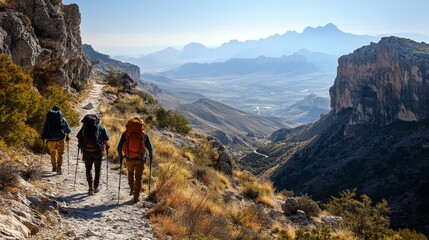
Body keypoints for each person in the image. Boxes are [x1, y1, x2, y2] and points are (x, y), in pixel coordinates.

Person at [117, 117, 153, 203]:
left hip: (129, 157)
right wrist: (151, 155)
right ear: (141, 125)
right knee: (138, 177)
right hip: (140, 158)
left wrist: (121, 156)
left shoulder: (126, 133)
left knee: (130, 172)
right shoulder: (144, 134)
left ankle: (132, 189)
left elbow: (119, 148)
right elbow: (150, 148)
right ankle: (136, 197)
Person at [77, 114, 110, 195]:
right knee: (97, 170)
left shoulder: (84, 128)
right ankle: (96, 187)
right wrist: (107, 146)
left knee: (88, 169)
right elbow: (106, 140)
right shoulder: (101, 128)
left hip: (87, 152)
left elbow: (78, 138)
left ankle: (90, 188)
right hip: (98, 151)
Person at [41, 106, 71, 175]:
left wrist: (43, 135)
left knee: (52, 153)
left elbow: (44, 129)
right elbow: (68, 129)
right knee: (60, 153)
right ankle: (59, 167)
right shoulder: (62, 118)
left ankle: (54, 167)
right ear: (59, 111)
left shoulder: (48, 119)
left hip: (50, 139)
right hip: (60, 138)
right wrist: (67, 134)